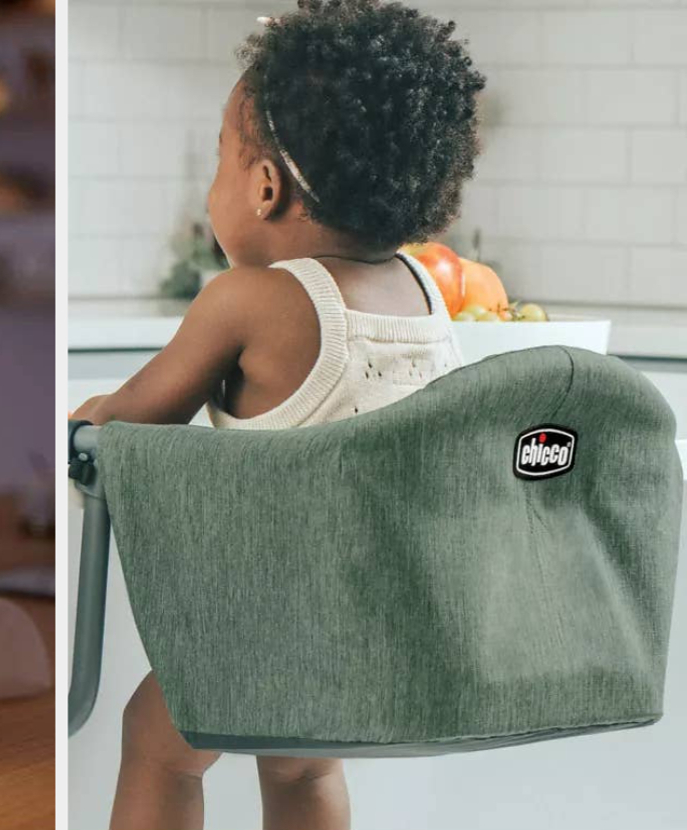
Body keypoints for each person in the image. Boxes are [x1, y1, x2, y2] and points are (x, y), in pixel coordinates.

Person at [73, 2, 483, 828]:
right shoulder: (425, 290)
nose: (215, 183)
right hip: (398, 625)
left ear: (264, 188)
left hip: (276, 625)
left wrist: (93, 415)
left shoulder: (249, 301)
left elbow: (129, 427)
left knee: (158, 741)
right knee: (299, 771)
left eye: (222, 159)